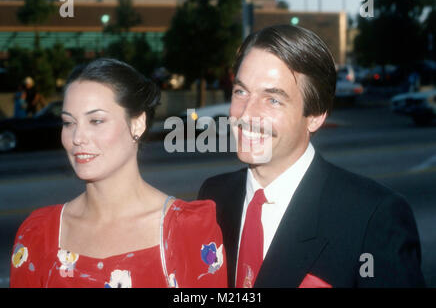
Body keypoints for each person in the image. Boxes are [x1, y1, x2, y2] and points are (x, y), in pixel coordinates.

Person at [198, 25, 425, 288]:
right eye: (241, 92)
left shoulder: (374, 219)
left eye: (272, 100)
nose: (246, 114)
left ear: (315, 116)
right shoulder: (213, 196)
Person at [10, 58, 227, 288]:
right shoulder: (38, 234)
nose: (77, 138)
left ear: (137, 124)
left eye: (96, 120)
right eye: (68, 122)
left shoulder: (188, 231)